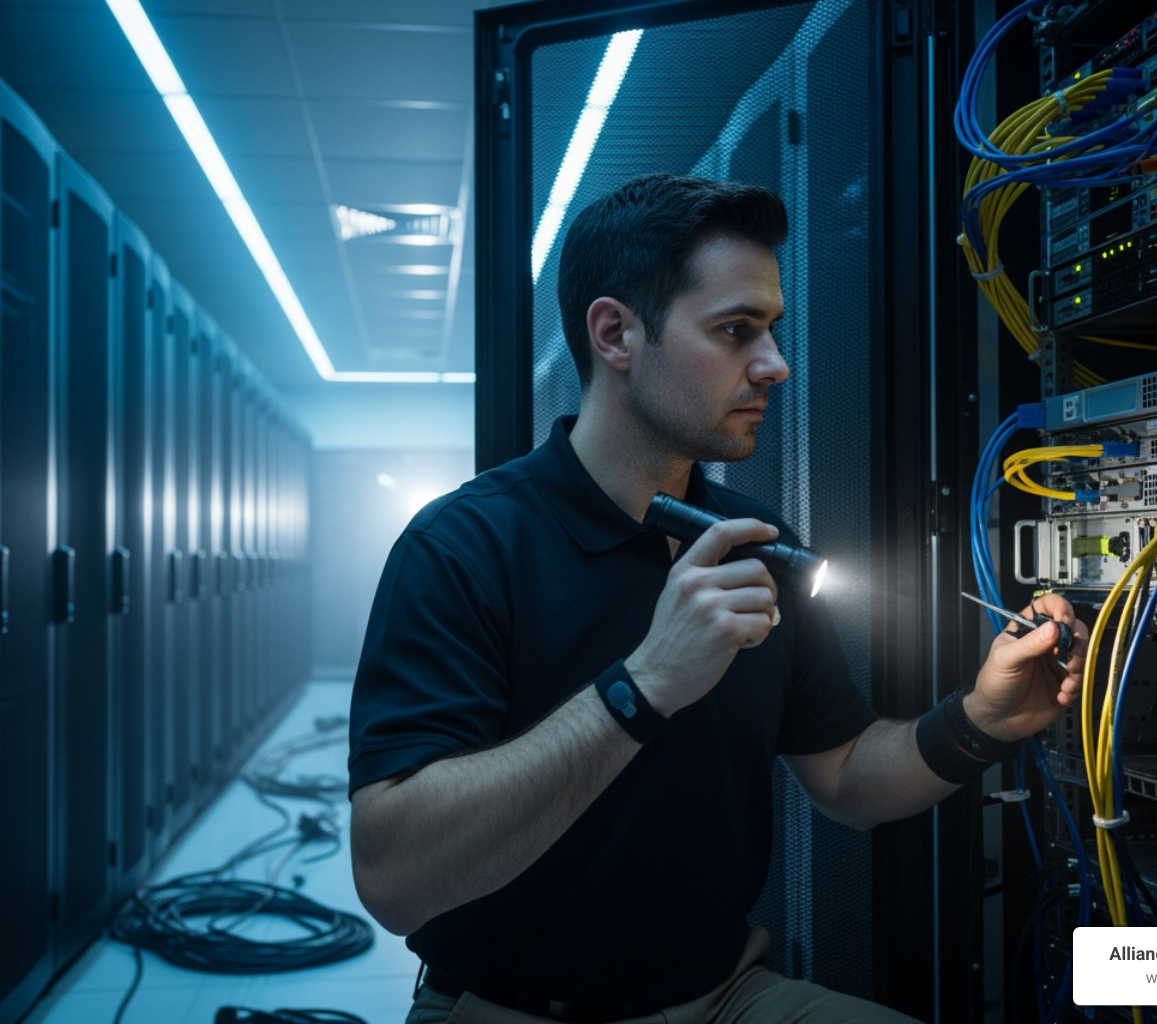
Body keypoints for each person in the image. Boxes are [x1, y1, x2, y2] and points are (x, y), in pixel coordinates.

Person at [347, 174, 1087, 1024]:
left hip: (724, 997)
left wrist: (982, 720)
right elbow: (395, 882)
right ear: (616, 333)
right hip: (506, 1008)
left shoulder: (750, 537)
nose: (774, 365)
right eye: (736, 331)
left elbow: (845, 776)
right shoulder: (461, 549)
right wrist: (645, 684)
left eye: (771, 331)